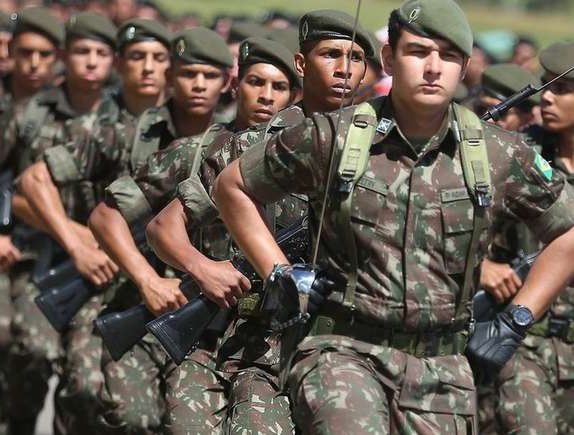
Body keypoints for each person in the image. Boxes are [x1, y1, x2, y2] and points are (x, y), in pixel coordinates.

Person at [212, 0, 574, 433]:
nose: (434, 67)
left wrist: (516, 321)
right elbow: (232, 187)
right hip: (342, 352)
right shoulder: (334, 136)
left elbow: (566, 234)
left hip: (443, 374)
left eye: (450, 56)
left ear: (464, 66)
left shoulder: (499, 153)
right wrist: (280, 272)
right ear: (389, 59)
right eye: (419, 52)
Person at [0, 11, 117, 435]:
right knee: (29, 348)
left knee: (85, 377)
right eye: (82, 51)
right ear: (67, 56)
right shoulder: (30, 114)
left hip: (104, 262)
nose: (91, 62)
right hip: (31, 254)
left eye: (102, 53)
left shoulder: (124, 121)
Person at [18, 17, 172, 434]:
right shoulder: (101, 128)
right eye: (138, 57)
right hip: (100, 272)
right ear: (121, 64)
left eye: (159, 58)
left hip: (172, 283)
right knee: (82, 383)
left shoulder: (193, 128)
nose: (148, 68)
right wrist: (78, 243)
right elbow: (29, 184)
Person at [145, 36, 301, 433]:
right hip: (211, 325)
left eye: (278, 86)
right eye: (255, 83)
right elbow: (153, 224)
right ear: (236, 85)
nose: (266, 96)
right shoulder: (209, 151)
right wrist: (196, 269)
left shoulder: (312, 150)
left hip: (276, 341)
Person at [84, 27, 232, 433]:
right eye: (189, 73)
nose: (199, 85)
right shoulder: (160, 141)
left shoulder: (252, 149)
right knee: (124, 412)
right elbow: (105, 215)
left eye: (210, 74)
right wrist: (147, 279)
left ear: (227, 81)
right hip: (141, 293)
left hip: (218, 322)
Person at [477, 41, 574, 435]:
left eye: (561, 89)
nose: (545, 99)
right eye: (544, 85)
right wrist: (483, 265)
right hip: (521, 341)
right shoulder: (516, 156)